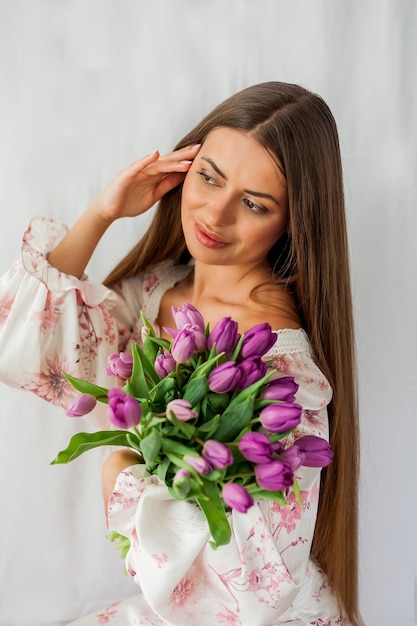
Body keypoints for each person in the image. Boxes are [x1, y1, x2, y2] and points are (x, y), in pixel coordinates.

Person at [0, 82, 360, 625]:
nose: (215, 215)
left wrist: (121, 474)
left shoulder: (281, 366)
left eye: (254, 203)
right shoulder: (159, 289)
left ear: (291, 222)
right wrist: (104, 211)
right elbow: (22, 344)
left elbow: (254, 579)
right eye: (208, 177)